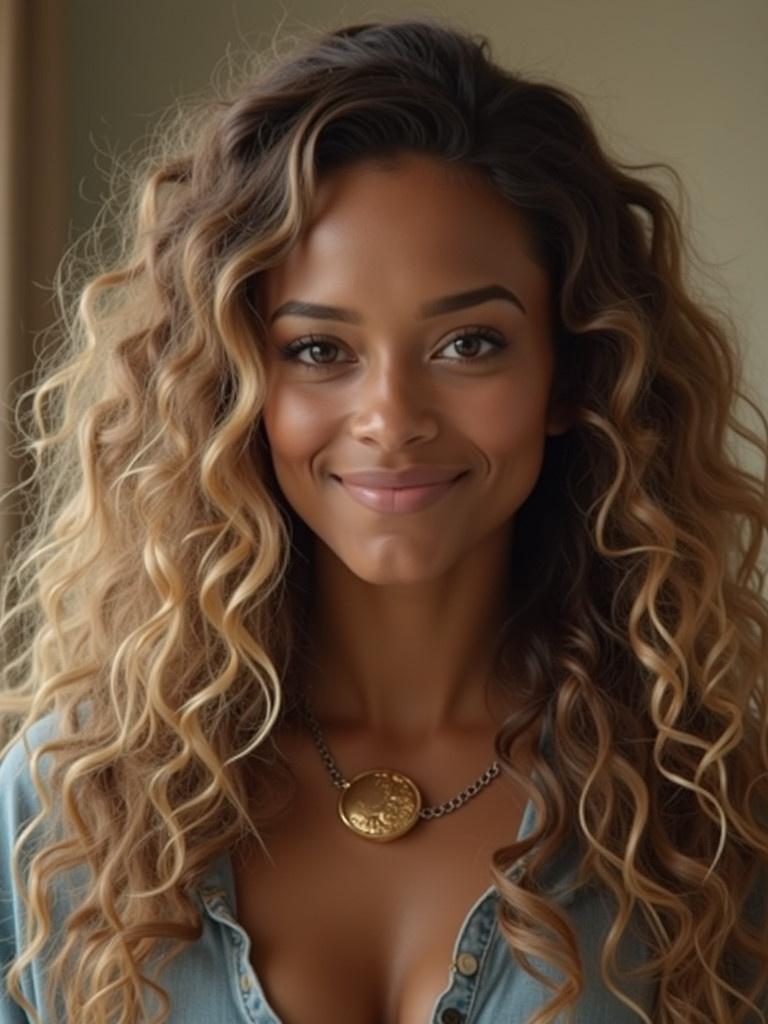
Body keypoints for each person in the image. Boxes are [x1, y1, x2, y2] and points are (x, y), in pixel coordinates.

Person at [1, 14, 767, 1024]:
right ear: (224, 385)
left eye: (469, 344)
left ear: (575, 370)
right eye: (319, 350)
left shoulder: (707, 803)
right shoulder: (64, 803)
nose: (393, 420)